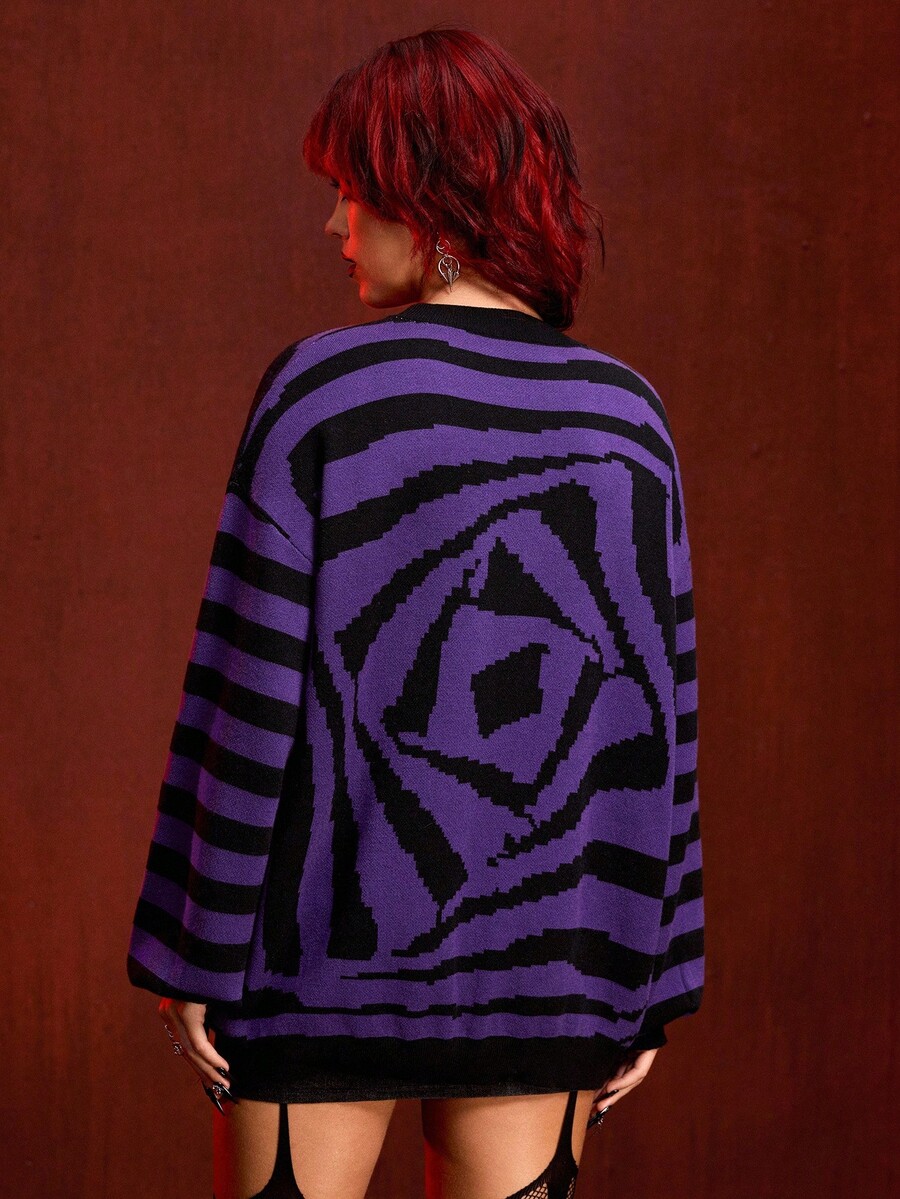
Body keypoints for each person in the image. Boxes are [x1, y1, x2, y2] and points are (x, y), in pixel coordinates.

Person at [127, 23, 704, 1199]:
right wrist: (651, 972)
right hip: (553, 972)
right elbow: (654, 724)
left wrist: (196, 945)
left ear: (427, 200)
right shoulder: (629, 419)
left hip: (315, 964)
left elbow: (248, 691)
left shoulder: (320, 391)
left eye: (351, 192)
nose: (335, 226)